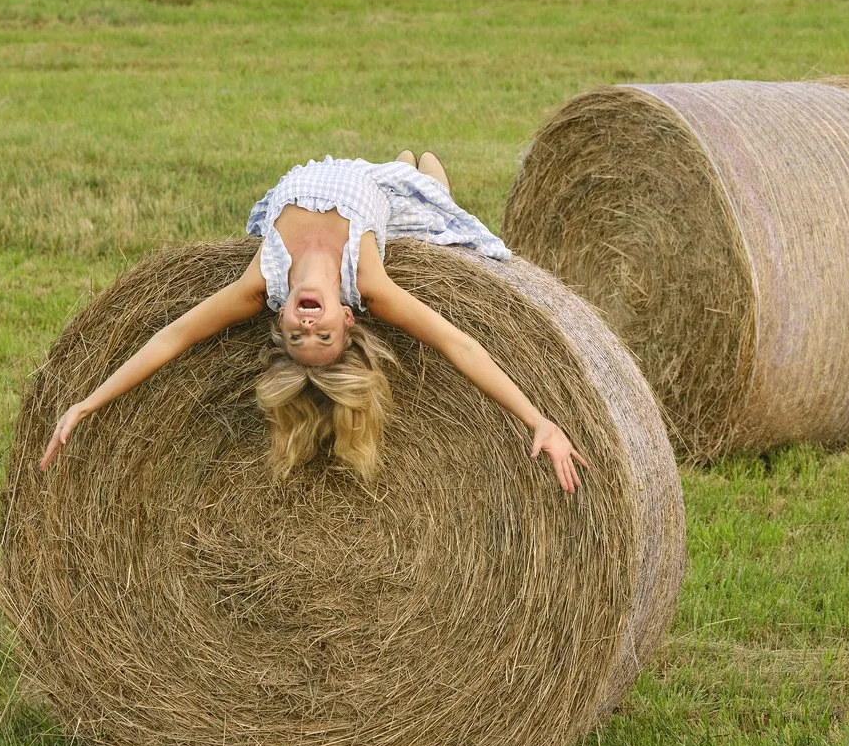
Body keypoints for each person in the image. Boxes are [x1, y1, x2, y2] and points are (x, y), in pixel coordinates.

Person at [38, 152, 585, 493]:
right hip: (375, 200)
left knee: (402, 168)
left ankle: (406, 165)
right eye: (322, 337)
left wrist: (89, 402)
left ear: (281, 318)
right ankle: (420, 172)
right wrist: (536, 418)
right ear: (348, 318)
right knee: (429, 191)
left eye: (298, 338)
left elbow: (173, 337)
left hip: (341, 179)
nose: (308, 327)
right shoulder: (369, 283)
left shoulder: (263, 279)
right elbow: (456, 343)